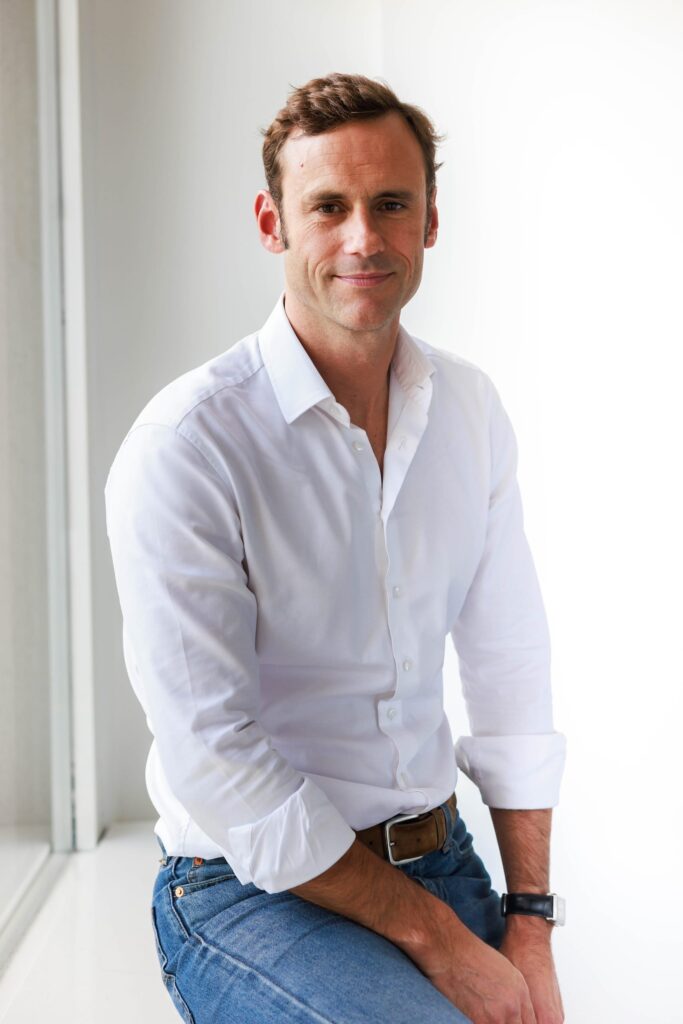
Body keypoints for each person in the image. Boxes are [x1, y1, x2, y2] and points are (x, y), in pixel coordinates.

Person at [104, 72, 567, 1024]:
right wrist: (441, 943)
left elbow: (509, 670)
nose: (364, 239)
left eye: (391, 204)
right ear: (271, 222)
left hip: (439, 856)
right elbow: (216, 756)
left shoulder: (469, 410)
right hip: (249, 889)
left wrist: (530, 923)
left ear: (430, 222)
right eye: (328, 207)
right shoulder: (186, 444)